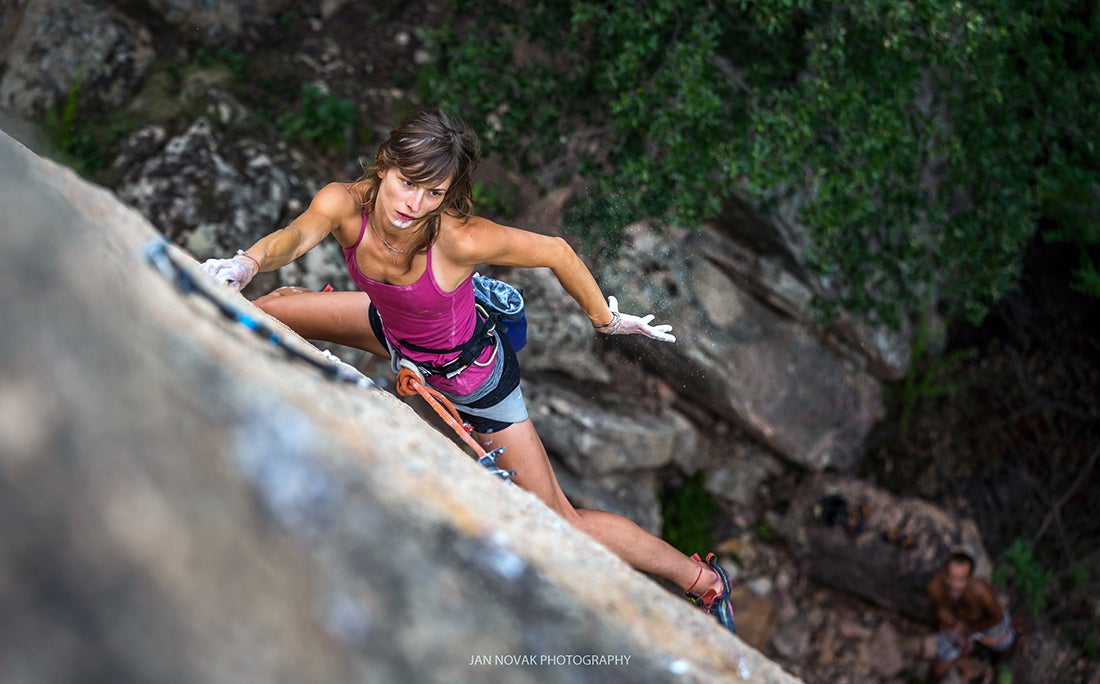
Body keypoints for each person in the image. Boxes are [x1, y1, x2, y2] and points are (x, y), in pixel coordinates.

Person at [199, 105, 737, 635]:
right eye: (408, 182)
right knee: (263, 313)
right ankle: (297, 299)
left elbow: (556, 250)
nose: (414, 203)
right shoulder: (345, 204)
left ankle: (702, 580)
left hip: (473, 378)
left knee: (560, 520)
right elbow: (298, 234)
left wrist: (607, 320)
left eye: (433, 193)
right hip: (392, 330)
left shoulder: (457, 238)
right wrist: (247, 262)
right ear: (385, 164)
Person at [925, 550, 1015, 682]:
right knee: (938, 669)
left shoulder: (982, 593)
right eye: (951, 577)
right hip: (957, 624)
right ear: (945, 574)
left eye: (960, 579)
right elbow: (940, 608)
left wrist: (969, 631)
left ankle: (998, 664)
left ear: (969, 578)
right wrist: (946, 619)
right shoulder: (934, 587)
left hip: (985, 624)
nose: (954, 584)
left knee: (1005, 644)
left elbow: (998, 618)